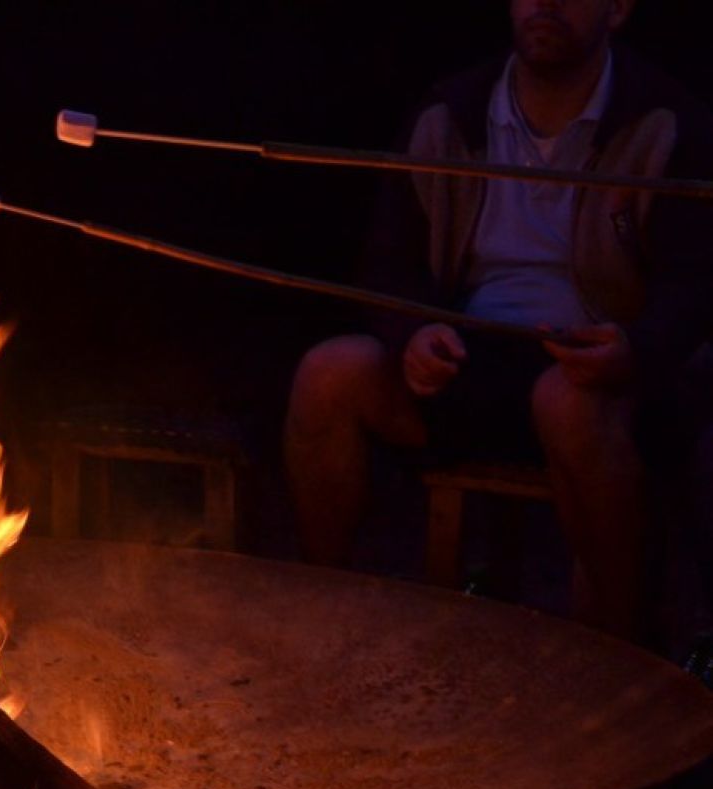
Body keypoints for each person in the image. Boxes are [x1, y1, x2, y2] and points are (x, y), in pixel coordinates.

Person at [283, 0, 713, 639]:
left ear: (618, 10)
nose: (544, 5)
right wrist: (411, 333)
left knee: (566, 401)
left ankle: (625, 656)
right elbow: (387, 259)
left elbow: (695, 280)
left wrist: (638, 347)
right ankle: (324, 617)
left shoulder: (660, 120)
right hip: (469, 354)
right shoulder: (452, 112)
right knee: (329, 371)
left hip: (595, 367)